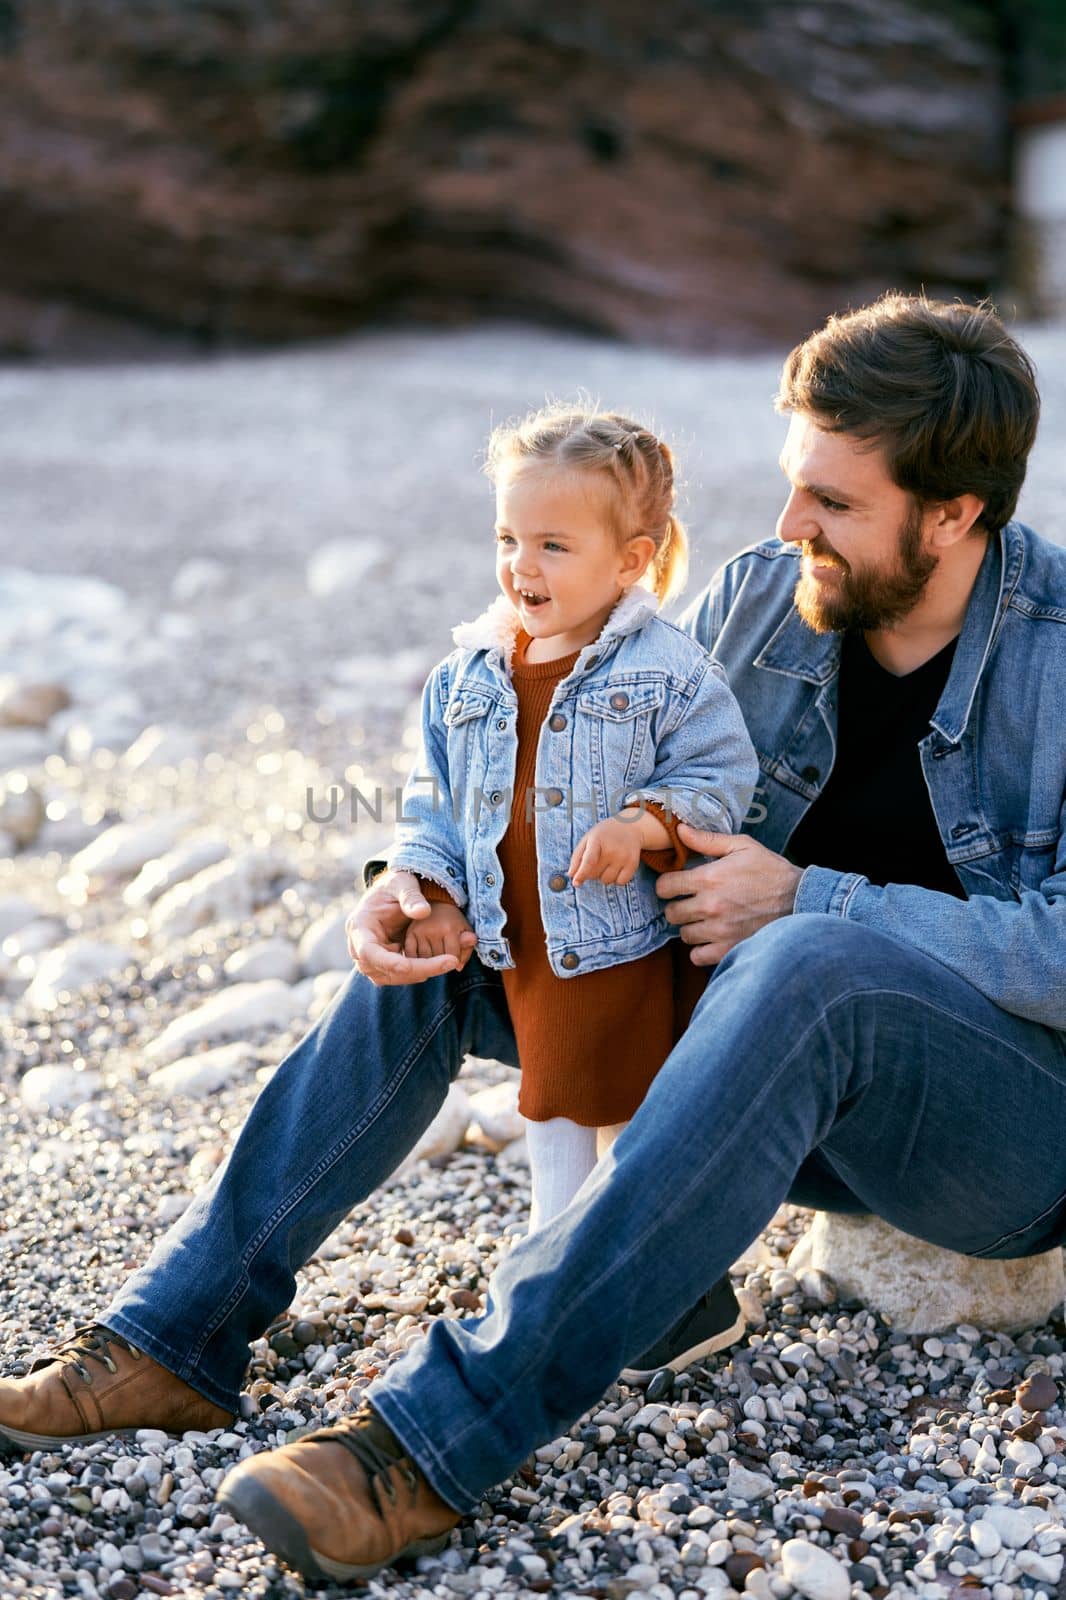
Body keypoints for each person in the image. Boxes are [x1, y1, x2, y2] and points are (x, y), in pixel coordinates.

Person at [1, 294, 1063, 1591]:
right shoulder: (755, 604)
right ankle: (179, 1334)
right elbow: (530, 759)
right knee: (464, 932)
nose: (786, 527)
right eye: (794, 487)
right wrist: (419, 873)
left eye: (832, 505)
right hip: (738, 1081)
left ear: (952, 514)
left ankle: (429, 1447)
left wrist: (810, 905)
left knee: (806, 962)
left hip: (994, 1136)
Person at [387, 405, 756, 1240]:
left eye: (554, 545)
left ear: (631, 562)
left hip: (617, 934)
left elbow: (721, 774)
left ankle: (620, 1247)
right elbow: (433, 796)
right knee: (552, 1095)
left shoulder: (669, 672)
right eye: (508, 539)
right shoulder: (467, 674)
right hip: (513, 934)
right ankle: (558, 1241)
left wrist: (642, 825)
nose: (523, 566)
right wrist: (431, 887)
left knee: (627, 1088)